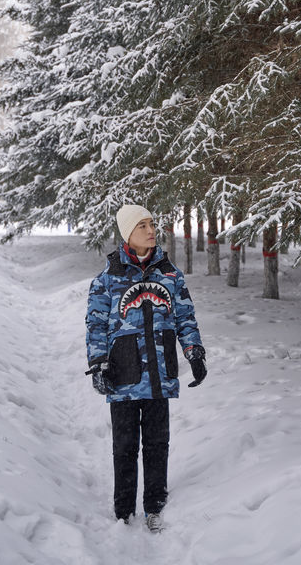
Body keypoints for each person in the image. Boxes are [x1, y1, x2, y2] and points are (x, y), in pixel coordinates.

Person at [85, 203, 207, 532]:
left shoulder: (170, 275)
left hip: (158, 374)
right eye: (142, 225)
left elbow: (185, 318)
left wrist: (194, 352)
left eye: (152, 223)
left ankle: (155, 505)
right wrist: (98, 363)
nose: (151, 230)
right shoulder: (108, 279)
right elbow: (95, 325)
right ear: (128, 233)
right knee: (124, 446)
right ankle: (123, 511)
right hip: (123, 374)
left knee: (157, 443)